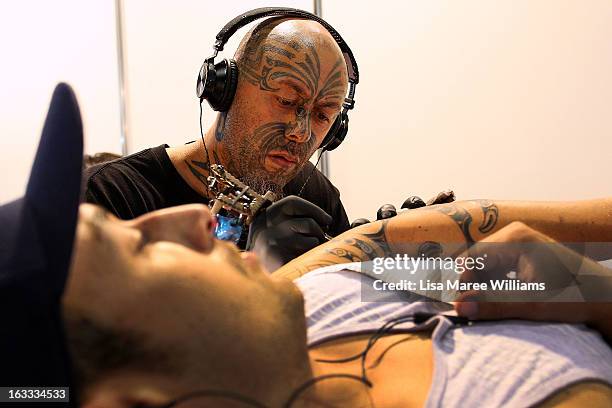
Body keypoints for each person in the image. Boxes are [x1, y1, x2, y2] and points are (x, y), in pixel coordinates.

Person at [3, 83, 611, 407]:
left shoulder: (307, 293)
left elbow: (514, 246)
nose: (191, 218)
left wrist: (580, 283)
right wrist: (597, 297)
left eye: (324, 112)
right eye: (134, 249)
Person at [83, 10, 353, 267]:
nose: (301, 132)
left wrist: (383, 254)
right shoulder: (111, 194)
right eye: (286, 100)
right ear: (225, 89)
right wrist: (257, 266)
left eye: (322, 116)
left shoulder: (316, 195)